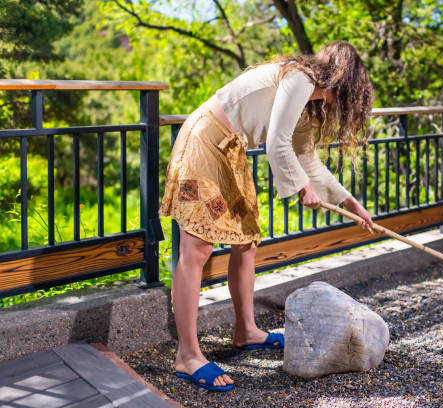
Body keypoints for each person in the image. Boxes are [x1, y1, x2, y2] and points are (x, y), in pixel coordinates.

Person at [159, 40, 375, 391]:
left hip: (230, 149)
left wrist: (351, 204)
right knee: (196, 249)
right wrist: (303, 189)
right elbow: (276, 142)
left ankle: (246, 331)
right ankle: (188, 354)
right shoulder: (300, 80)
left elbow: (306, 160)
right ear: (342, 80)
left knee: (246, 242)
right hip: (204, 142)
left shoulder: (309, 101)